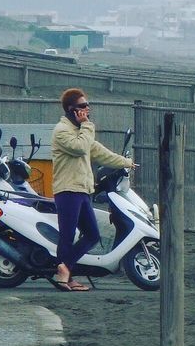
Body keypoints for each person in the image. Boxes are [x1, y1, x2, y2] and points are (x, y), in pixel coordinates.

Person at [51, 87, 135, 291]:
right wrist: (87, 125)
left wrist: (126, 162)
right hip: (67, 190)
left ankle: (65, 269)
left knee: (92, 235)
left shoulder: (82, 133)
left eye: (87, 105)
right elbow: (80, 147)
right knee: (67, 235)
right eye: (82, 106)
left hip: (82, 191)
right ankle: (64, 276)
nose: (87, 108)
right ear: (72, 109)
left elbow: (100, 153)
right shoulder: (62, 131)